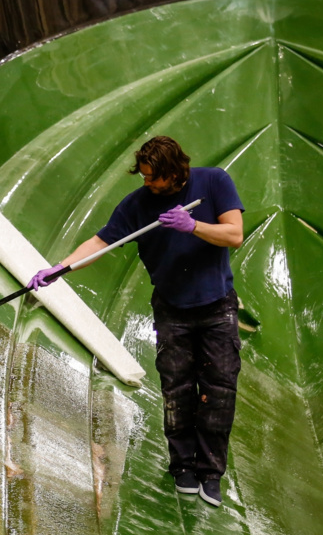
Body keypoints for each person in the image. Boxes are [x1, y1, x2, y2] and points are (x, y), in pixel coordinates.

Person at [28, 136, 244, 508]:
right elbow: (101, 242)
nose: (147, 184)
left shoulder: (214, 182)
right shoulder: (138, 205)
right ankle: (183, 468)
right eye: (143, 177)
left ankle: (211, 472)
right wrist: (61, 267)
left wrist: (191, 226)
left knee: (218, 392)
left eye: (153, 178)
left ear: (176, 172)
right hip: (172, 309)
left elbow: (234, 235)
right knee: (176, 392)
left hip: (216, 309)